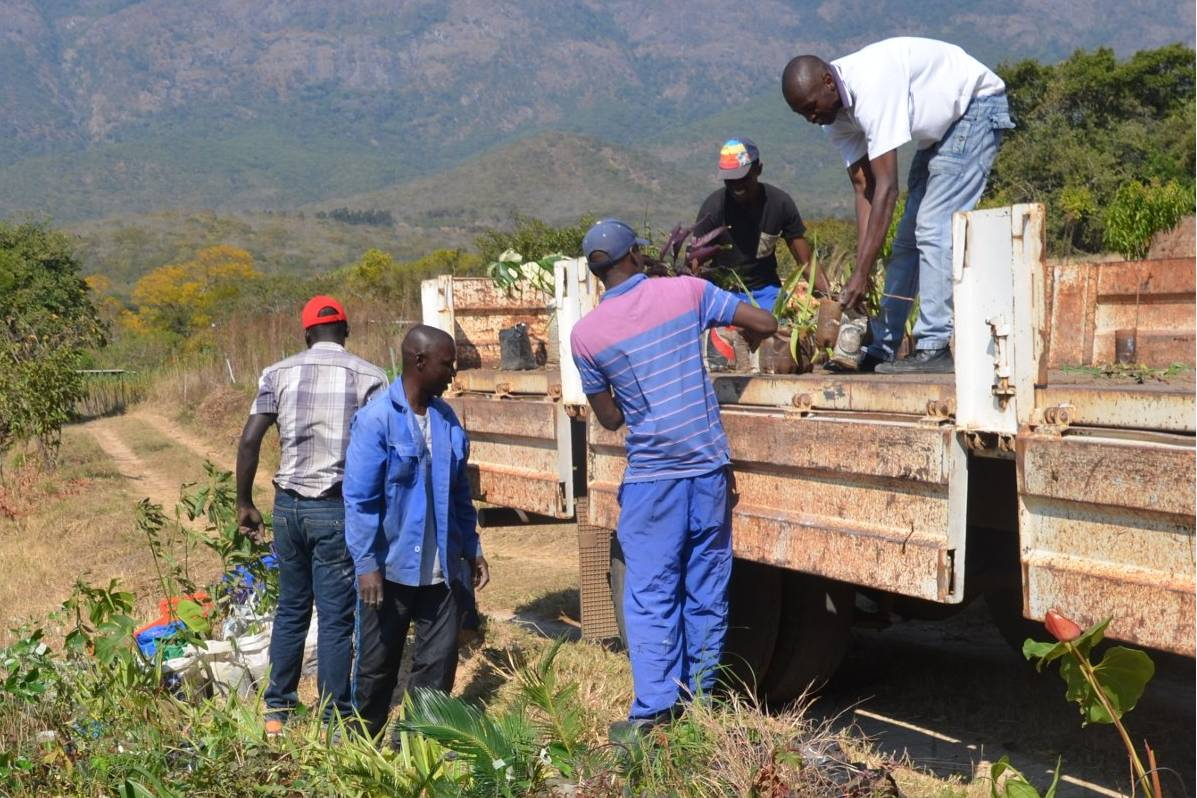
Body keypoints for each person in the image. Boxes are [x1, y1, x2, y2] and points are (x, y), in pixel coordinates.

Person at [569, 219, 777, 737]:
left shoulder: (586, 336)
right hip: (707, 473)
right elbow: (765, 322)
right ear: (634, 255)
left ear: (595, 271)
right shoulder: (687, 293)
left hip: (652, 481)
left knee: (652, 595)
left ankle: (656, 711)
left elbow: (609, 418)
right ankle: (699, 702)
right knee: (706, 589)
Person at [782, 38, 1014, 373]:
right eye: (802, 113)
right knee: (906, 241)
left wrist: (862, 272)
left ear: (829, 82)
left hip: (975, 107)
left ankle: (934, 346)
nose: (811, 117)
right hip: (940, 132)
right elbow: (865, 188)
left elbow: (888, 188)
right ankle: (883, 347)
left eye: (811, 107)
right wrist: (861, 266)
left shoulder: (871, 85)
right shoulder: (832, 119)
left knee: (933, 227)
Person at [236, 295, 388, 736]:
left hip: (288, 507)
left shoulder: (277, 373)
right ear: (346, 331)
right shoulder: (371, 377)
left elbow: (249, 441)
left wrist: (244, 502)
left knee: (291, 608)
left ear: (306, 334)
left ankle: (277, 710)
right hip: (336, 507)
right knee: (336, 617)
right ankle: (333, 718)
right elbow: (384, 447)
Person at [343, 324, 490, 741]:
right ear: (420, 362)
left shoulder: (446, 421)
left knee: (436, 666)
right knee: (377, 669)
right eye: (447, 364)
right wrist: (366, 565)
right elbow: (359, 500)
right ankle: (363, 749)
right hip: (388, 571)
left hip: (441, 572)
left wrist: (473, 548)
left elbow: (460, 495)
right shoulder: (376, 420)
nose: (453, 374)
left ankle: (415, 746)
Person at [691, 137, 826, 309]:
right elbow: (695, 263)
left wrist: (830, 300)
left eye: (743, 178)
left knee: (774, 321)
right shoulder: (713, 208)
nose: (736, 185)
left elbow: (806, 263)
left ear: (758, 169)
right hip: (724, 292)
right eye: (730, 179)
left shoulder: (780, 204)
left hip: (766, 292)